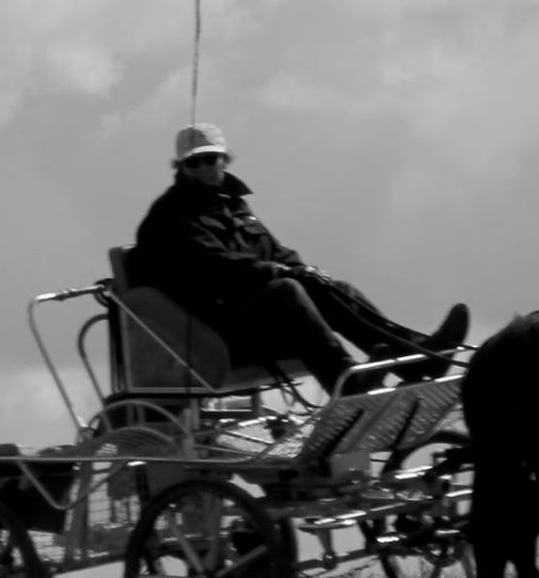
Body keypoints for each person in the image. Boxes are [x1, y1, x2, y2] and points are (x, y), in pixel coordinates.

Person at [132, 123, 471, 397]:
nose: (205, 167)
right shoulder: (171, 216)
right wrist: (278, 271)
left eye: (212, 159)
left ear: (225, 160)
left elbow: (276, 252)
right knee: (287, 290)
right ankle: (348, 383)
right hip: (220, 330)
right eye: (195, 162)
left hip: (262, 316)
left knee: (330, 286)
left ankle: (419, 359)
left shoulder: (232, 205)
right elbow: (215, 265)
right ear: (182, 167)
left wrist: (303, 270)